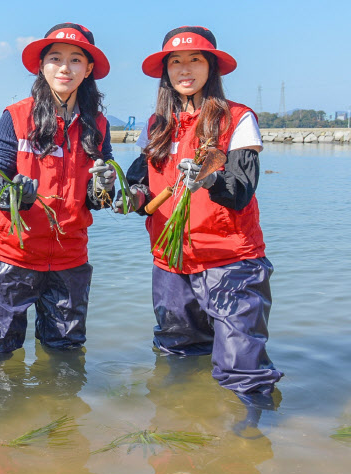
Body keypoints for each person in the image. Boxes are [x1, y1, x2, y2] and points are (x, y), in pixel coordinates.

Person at [116, 26, 283, 401]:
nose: (184, 69)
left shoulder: (237, 119)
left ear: (212, 67)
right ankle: (184, 428)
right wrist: (123, 197)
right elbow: (140, 188)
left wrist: (207, 178)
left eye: (195, 60)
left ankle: (247, 442)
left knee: (243, 369)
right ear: (165, 71)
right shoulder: (157, 126)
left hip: (231, 263)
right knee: (178, 357)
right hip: (170, 264)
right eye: (175, 62)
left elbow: (240, 191)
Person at [0, 23, 117, 355]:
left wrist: (103, 189)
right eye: (55, 58)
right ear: (41, 65)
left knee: (66, 351)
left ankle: (60, 406)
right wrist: (7, 193)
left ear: (89, 69)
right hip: (10, 254)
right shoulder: (16, 116)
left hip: (70, 256)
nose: (65, 67)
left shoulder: (98, 125)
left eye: (75, 60)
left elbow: (100, 186)